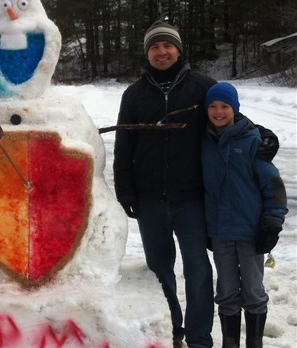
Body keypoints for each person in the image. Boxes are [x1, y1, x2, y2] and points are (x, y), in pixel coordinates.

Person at [112, 21, 279, 348]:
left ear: (178, 49)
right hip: (149, 200)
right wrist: (125, 190)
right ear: (148, 52)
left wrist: (263, 135)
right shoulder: (133, 94)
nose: (162, 52)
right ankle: (171, 328)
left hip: (193, 198)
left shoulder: (202, 86)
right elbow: (123, 145)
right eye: (155, 47)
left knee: (198, 272)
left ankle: (200, 339)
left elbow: (228, 117)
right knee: (159, 270)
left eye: (167, 46)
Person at [202, 82, 287, 348]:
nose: (218, 112)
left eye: (225, 106)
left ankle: (254, 343)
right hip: (220, 233)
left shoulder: (253, 142)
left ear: (235, 109)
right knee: (226, 291)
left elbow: (273, 186)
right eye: (213, 106)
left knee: (253, 290)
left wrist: (272, 225)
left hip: (251, 232)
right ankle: (230, 343)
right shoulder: (203, 141)